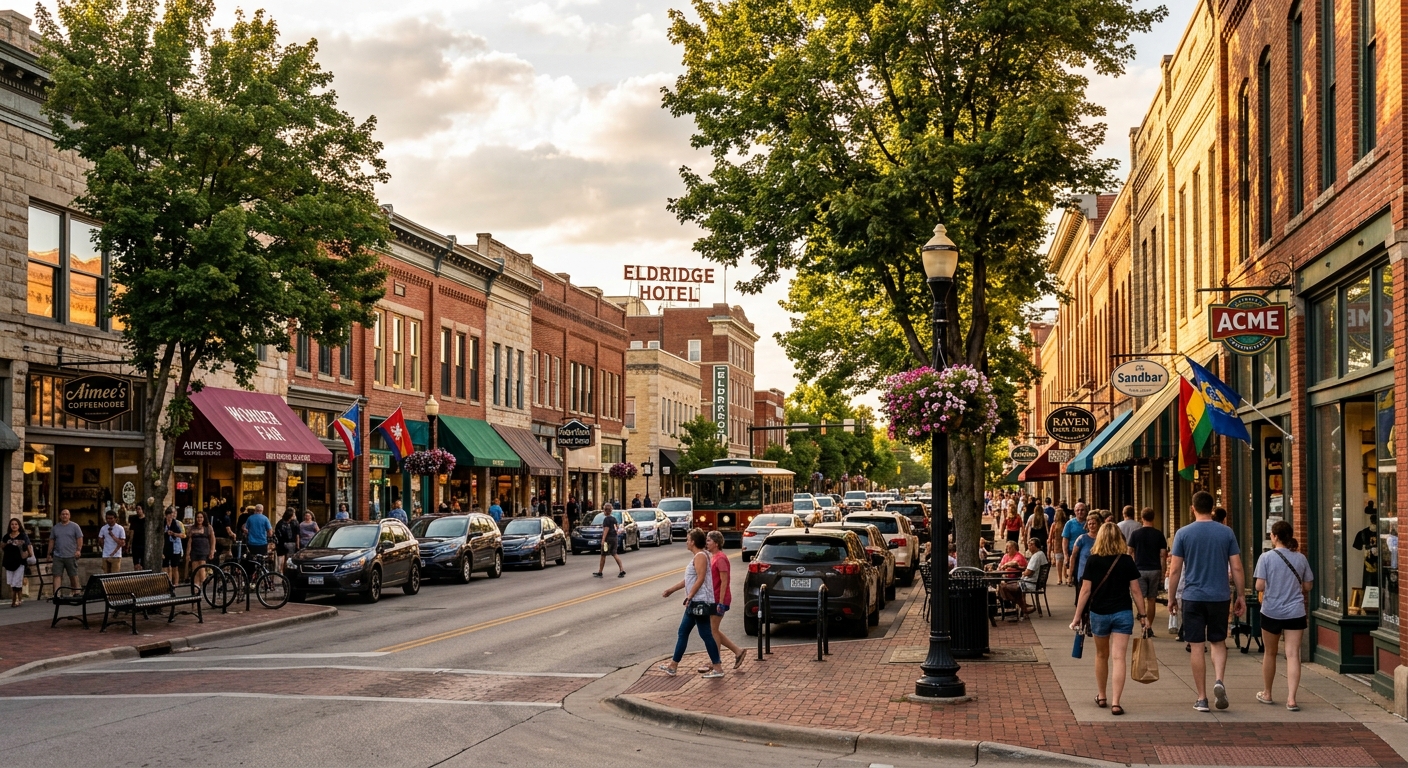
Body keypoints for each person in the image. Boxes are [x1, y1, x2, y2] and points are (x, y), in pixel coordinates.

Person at [1168, 490, 1245, 713]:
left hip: (1192, 597)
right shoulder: (1226, 533)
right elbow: (1237, 567)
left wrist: (1172, 598)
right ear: (1212, 508)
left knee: (1196, 647)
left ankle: (1202, 698)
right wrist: (1240, 595)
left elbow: (1175, 570)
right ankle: (1219, 680)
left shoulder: (1183, 534)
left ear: (1193, 508)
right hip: (1219, 596)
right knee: (1218, 641)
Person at [1071, 522, 1146, 716]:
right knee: (1119, 657)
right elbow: (1136, 591)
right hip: (1123, 612)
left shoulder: (1093, 560)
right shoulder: (1126, 560)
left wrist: (1077, 616)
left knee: (1101, 655)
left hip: (1099, 613)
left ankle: (1102, 695)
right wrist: (1143, 615)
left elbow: (1085, 591)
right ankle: (1116, 702)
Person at [1255, 520, 1313, 711]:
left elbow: (1259, 586)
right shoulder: (1300, 558)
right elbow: (1308, 586)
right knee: (1293, 654)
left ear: (1275, 536)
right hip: (1295, 611)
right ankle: (1291, 699)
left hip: (1271, 610)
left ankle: (1268, 693)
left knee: (1270, 653)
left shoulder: (1266, 558)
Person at [658, 528, 724, 678]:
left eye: (688, 539)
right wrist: (671, 590)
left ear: (693, 541)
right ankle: (673, 666)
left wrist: (691, 596)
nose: (686, 542)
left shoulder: (700, 556)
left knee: (705, 634)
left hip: (699, 602)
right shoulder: (699, 556)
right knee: (683, 632)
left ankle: (718, 668)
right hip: (694, 602)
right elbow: (689, 580)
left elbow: (700, 578)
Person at [702, 531, 744, 670]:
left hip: (719, 599)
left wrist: (720, 602)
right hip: (712, 598)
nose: (706, 543)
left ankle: (716, 661)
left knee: (713, 630)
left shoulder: (720, 558)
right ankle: (737, 651)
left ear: (716, 543)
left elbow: (724, 581)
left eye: (709, 541)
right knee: (714, 630)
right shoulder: (712, 557)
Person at [1126, 507, 1168, 627]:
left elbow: (1129, 552)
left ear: (1142, 518)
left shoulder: (1135, 534)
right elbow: (1162, 555)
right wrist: (1163, 572)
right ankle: (1149, 625)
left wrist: (1132, 566)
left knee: (1140, 598)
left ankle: (1143, 624)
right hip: (1154, 569)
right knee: (1152, 599)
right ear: (1153, 518)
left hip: (1139, 569)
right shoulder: (1159, 535)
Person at [998, 538, 1049, 616]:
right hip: (1034, 582)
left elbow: (1028, 572)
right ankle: (1023, 606)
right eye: (1028, 544)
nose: (1029, 546)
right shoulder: (1041, 554)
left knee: (1002, 587)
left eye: (1031, 544)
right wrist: (1019, 568)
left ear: (1037, 546)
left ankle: (1020, 607)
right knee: (1006, 586)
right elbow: (1027, 569)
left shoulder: (1036, 557)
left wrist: (1023, 573)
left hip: (1030, 583)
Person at [49, 509, 84, 591]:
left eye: (66, 514)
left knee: (73, 575)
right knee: (57, 575)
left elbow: (79, 538)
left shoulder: (75, 526)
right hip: (58, 556)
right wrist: (49, 553)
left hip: (71, 555)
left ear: (69, 516)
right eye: (63, 514)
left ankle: (76, 592)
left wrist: (78, 550)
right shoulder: (55, 528)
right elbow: (51, 540)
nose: (65, 516)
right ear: (60, 516)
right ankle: (57, 594)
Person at [3, 518, 34, 607]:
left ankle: (15, 600)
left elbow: (28, 546)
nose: (14, 526)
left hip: (20, 561)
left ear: (19, 525)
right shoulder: (6, 536)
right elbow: (2, 546)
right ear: (10, 526)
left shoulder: (23, 536)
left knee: (17, 581)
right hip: (9, 561)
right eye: (12, 524)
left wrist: (29, 554)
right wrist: (7, 543)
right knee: (12, 581)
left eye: (16, 524)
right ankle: (18, 599)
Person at [1070, 517, 1099, 603]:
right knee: (1082, 599)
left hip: (1097, 574)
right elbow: (1073, 556)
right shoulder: (1082, 538)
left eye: (1094, 523)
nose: (1092, 526)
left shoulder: (1102, 538)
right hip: (1083, 574)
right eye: (1090, 524)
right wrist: (1070, 574)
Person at [594, 504, 625, 578]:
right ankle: (621, 569)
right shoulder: (614, 519)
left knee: (603, 555)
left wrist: (603, 540)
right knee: (614, 553)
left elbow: (606, 530)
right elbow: (617, 527)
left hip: (608, 539)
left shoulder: (606, 520)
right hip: (614, 538)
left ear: (605, 511)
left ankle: (600, 572)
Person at [1061, 504, 1088, 586]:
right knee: (1076, 576)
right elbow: (1065, 540)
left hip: (1087, 554)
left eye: (1082, 510)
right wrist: (1065, 555)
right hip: (1073, 553)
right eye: (1078, 510)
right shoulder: (1069, 523)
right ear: (1074, 512)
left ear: (1086, 511)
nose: (1080, 512)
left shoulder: (1089, 523)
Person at [187, 511, 215, 585]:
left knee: (202, 570)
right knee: (195, 570)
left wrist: (212, 551)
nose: (199, 519)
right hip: (194, 551)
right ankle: (196, 589)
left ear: (204, 518)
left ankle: (204, 584)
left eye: (201, 517)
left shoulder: (208, 527)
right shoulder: (192, 528)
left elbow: (212, 540)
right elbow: (189, 542)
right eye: (198, 517)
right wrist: (188, 554)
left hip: (204, 551)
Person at [162, 506, 186, 583]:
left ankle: (175, 584)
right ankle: (166, 583)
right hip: (165, 546)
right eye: (169, 515)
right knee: (165, 566)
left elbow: (183, 535)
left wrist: (174, 534)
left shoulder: (178, 524)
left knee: (174, 567)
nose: (170, 518)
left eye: (172, 515)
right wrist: (165, 533)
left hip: (175, 547)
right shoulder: (163, 523)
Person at [126, 504, 147, 570]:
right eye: (137, 509)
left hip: (144, 544)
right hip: (135, 544)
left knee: (143, 563)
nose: (137, 511)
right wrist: (129, 543)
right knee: (136, 563)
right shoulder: (134, 519)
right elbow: (132, 532)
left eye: (139, 509)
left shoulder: (146, 520)